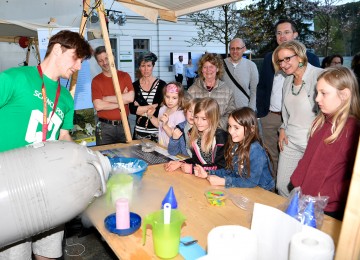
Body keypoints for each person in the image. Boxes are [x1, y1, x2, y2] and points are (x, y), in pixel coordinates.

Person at [0, 30, 92, 259]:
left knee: (49, 254)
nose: (79, 66)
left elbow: (63, 137)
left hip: (50, 189)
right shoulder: (14, 79)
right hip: (12, 190)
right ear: (58, 49)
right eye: (76, 58)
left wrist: (86, 160)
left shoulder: (66, 98)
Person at [290, 67, 360, 220]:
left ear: (344, 95)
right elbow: (308, 159)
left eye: (324, 93)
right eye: (317, 92)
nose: (316, 99)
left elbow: (355, 179)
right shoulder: (320, 122)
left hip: (329, 208)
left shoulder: (352, 130)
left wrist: (327, 193)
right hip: (307, 201)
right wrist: (298, 179)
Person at [256, 18, 320, 179]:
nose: (282, 36)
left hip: (305, 128)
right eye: (278, 33)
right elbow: (262, 86)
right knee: (273, 157)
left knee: (304, 169)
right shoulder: (270, 59)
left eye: (286, 32)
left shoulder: (312, 61)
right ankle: (275, 189)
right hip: (272, 117)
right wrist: (261, 113)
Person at [273, 40, 323, 197]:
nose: (283, 64)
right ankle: (289, 218)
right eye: (280, 60)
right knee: (282, 186)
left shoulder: (320, 75)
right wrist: (282, 128)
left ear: (300, 57)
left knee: (310, 191)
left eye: (287, 58)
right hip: (290, 142)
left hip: (314, 143)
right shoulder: (287, 80)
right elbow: (286, 112)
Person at [194, 107, 274, 190]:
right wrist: (208, 173)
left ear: (251, 129)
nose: (231, 131)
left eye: (236, 128)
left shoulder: (255, 150)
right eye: (230, 126)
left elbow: (251, 182)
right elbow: (230, 171)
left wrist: (224, 181)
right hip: (244, 188)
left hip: (262, 192)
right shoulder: (235, 145)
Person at [164, 98, 227, 174]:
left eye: (204, 119)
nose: (198, 122)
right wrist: (180, 163)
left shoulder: (221, 137)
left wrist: (193, 169)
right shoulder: (194, 134)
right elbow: (196, 160)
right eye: (196, 117)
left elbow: (221, 166)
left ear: (213, 118)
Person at [92, 46, 135, 145]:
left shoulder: (124, 76)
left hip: (124, 124)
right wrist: (122, 101)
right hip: (104, 127)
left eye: (106, 58)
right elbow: (98, 106)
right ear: (98, 63)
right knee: (104, 157)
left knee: (127, 156)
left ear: (113, 57)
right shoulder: (96, 81)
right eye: (101, 61)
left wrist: (106, 99)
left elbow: (130, 98)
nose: (105, 63)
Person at [187, 53, 236, 130]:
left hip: (220, 133)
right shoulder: (192, 90)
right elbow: (187, 113)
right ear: (201, 70)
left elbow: (231, 113)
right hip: (197, 134)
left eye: (211, 67)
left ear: (217, 69)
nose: (208, 70)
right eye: (205, 67)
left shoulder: (227, 91)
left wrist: (214, 125)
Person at [129, 52, 167, 142]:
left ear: (153, 66)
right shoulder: (134, 86)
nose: (146, 69)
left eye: (149, 66)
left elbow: (161, 109)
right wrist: (152, 106)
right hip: (139, 133)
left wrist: (141, 108)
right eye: (143, 66)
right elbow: (132, 110)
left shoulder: (162, 85)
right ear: (139, 67)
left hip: (157, 133)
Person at [222, 38, 259, 110]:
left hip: (244, 110)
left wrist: (251, 110)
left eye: (238, 48)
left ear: (244, 49)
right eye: (232, 48)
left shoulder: (251, 66)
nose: (235, 51)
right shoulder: (221, 65)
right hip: (225, 111)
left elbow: (253, 91)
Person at [147, 82, 186, 147]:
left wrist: (165, 125)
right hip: (161, 146)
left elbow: (176, 137)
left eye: (174, 98)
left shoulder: (180, 115)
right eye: (167, 97)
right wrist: (150, 116)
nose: (170, 101)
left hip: (173, 151)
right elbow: (158, 124)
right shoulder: (163, 108)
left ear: (180, 98)